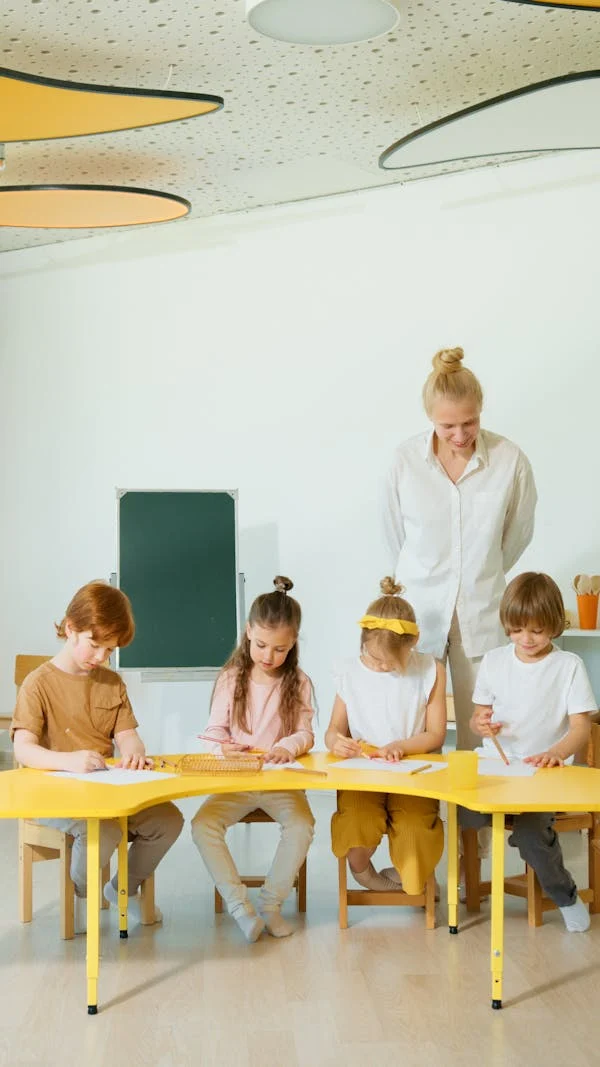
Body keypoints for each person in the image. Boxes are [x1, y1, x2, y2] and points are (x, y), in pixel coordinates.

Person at [384, 347, 537, 752]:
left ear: (481, 410)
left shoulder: (510, 461)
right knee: (416, 726)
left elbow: (518, 534)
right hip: (418, 613)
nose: (459, 435)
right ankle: (424, 816)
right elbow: (393, 536)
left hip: (483, 611)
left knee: (484, 727)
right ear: (430, 417)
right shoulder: (404, 462)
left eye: (469, 422)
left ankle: (476, 817)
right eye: (447, 425)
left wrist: (480, 569)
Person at [11, 580, 184, 930]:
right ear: (71, 628)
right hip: (57, 796)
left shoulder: (112, 682)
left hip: (109, 791)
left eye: (110, 649)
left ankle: (120, 890)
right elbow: (23, 748)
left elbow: (128, 736)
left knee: (169, 821)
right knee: (104, 832)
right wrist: (69, 761)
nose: (101, 657)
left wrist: (134, 752)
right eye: (95, 645)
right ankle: (83, 890)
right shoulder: (38, 683)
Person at [461, 571, 596, 931]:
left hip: (546, 773)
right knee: (461, 812)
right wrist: (482, 725)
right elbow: (479, 717)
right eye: (517, 630)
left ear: (554, 625)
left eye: (537, 630)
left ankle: (565, 896)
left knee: (531, 833)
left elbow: (581, 727)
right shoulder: (494, 661)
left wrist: (556, 752)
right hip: (498, 765)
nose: (526, 639)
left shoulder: (568, 666)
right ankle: (462, 889)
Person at [191, 576, 315, 943]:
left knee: (302, 825)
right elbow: (214, 731)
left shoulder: (300, 682)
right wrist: (222, 749)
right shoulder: (232, 678)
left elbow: (306, 733)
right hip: (237, 778)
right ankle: (239, 907)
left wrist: (287, 746)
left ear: (293, 642)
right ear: (248, 632)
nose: (268, 656)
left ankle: (271, 904)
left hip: (279, 780)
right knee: (202, 826)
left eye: (279, 649)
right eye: (261, 645)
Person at [325, 578, 446, 895]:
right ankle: (368, 876)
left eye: (387, 662)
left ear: (413, 643)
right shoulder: (349, 671)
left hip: (413, 767)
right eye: (371, 656)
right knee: (357, 823)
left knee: (415, 829)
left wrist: (401, 746)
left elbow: (435, 735)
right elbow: (333, 730)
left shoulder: (430, 669)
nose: (378, 666)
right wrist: (335, 741)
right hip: (363, 768)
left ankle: (413, 878)